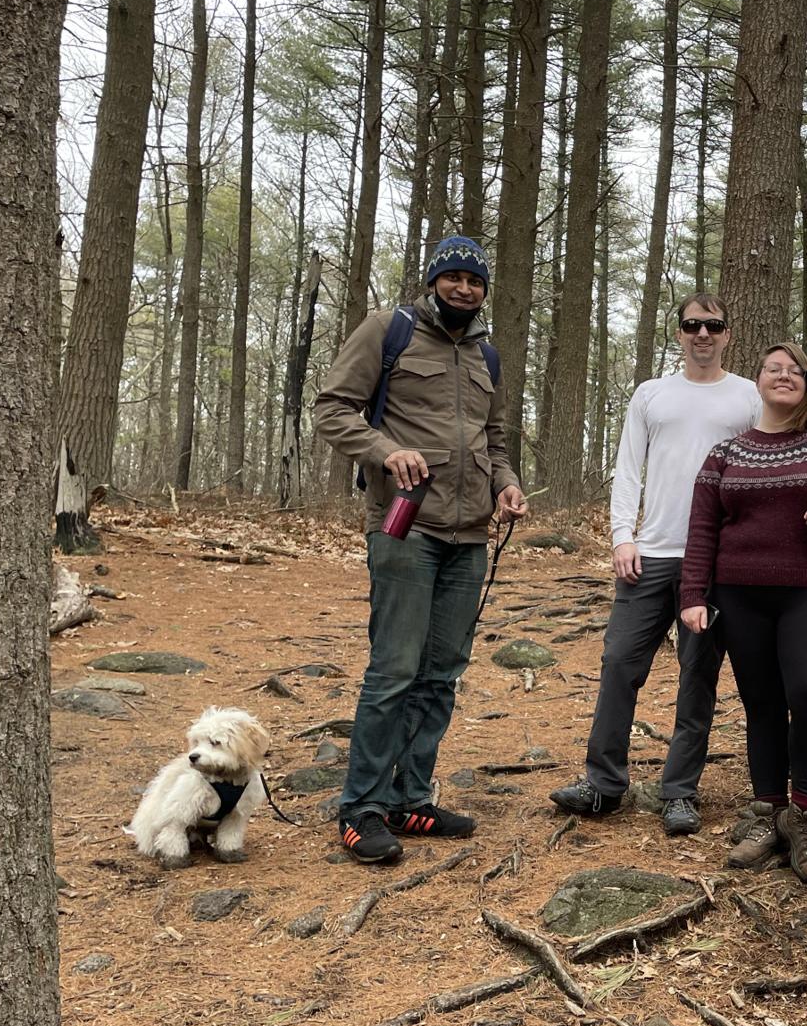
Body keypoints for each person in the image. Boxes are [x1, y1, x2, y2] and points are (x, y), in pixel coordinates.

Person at [314, 235, 525, 865]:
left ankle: (410, 796)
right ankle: (361, 807)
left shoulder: (487, 355)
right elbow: (332, 409)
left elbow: (494, 439)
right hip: (406, 528)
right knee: (394, 671)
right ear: (433, 281)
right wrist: (385, 451)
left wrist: (506, 484)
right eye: (453, 276)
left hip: (470, 536)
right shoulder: (390, 330)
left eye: (475, 280)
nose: (464, 288)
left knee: (441, 673)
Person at [547, 295, 760, 833]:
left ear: (728, 334)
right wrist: (622, 536)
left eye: (713, 325)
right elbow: (628, 469)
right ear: (680, 332)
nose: (703, 334)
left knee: (697, 675)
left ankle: (680, 792)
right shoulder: (651, 393)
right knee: (620, 662)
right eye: (692, 325)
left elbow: (758, 472)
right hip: (650, 553)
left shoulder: (748, 396)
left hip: (712, 561)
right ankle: (603, 784)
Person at [679, 342, 807, 885]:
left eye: (795, 371)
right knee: (761, 703)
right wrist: (692, 595)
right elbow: (703, 529)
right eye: (773, 369)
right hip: (740, 593)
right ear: (758, 381)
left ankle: (806, 817)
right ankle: (767, 812)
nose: (784, 376)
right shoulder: (725, 453)